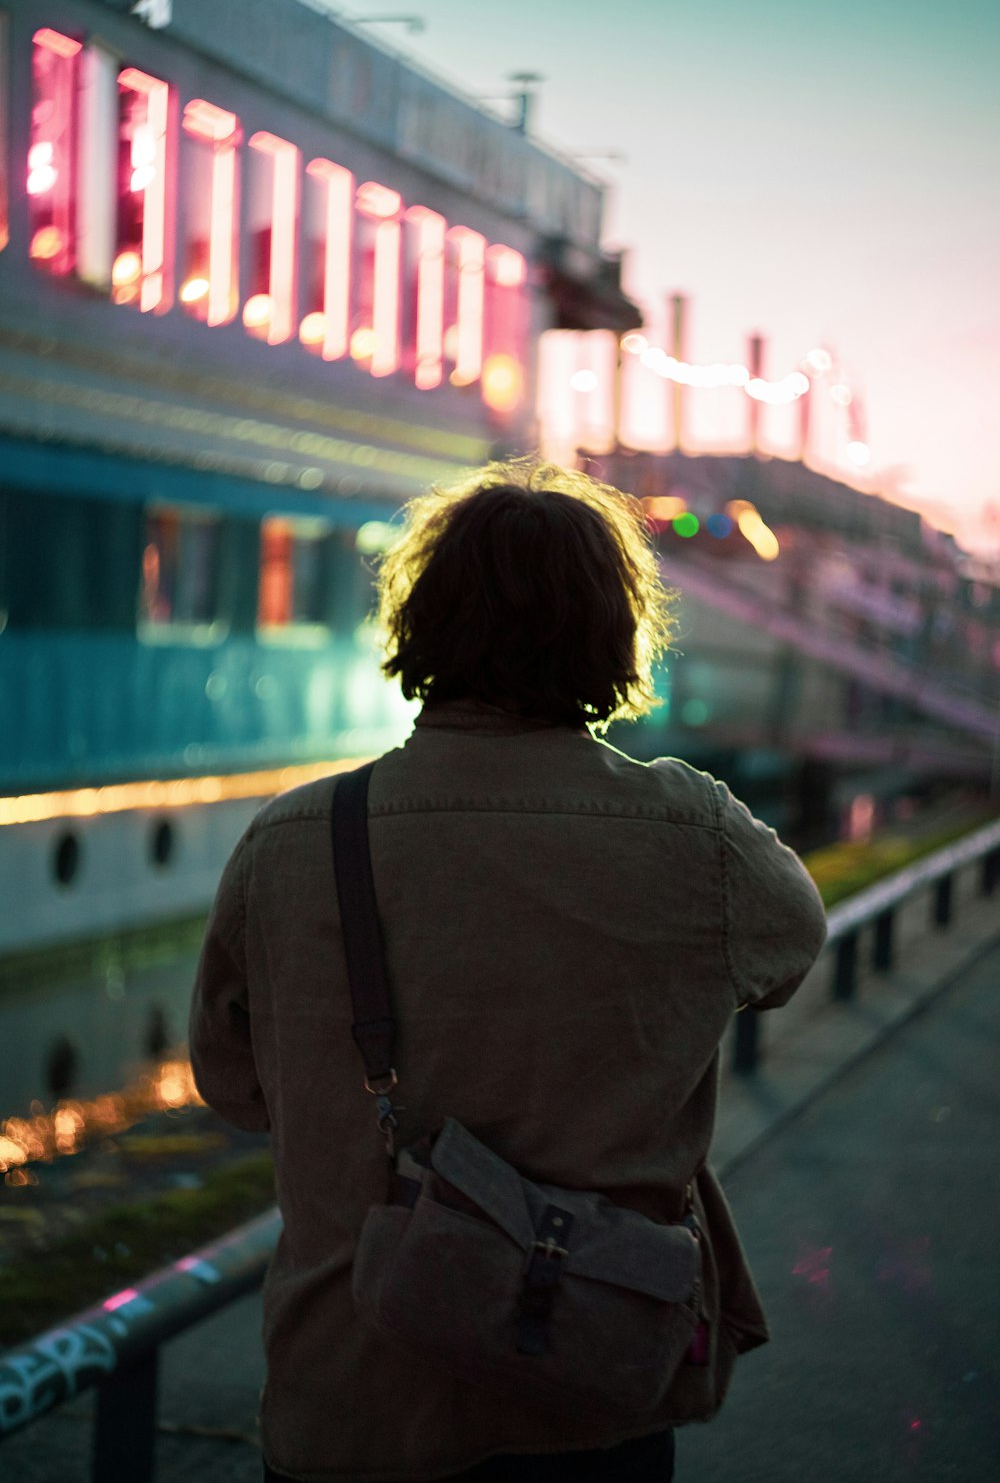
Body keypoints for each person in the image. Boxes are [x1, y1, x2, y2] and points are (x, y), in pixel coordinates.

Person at [189, 458, 828, 1483]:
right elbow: (787, 955)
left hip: (352, 1395)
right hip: (587, 1383)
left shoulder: (298, 839)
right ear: (613, 633)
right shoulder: (695, 831)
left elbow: (233, 1089)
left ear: (419, 624)